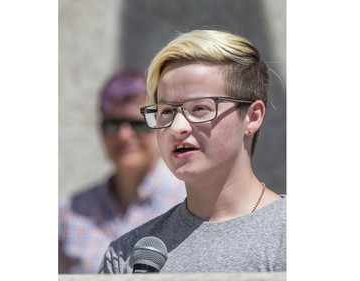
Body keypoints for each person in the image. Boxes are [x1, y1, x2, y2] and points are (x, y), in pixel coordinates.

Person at [98, 29, 286, 274]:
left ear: (252, 116)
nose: (177, 127)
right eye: (166, 111)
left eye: (199, 108)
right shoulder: (127, 256)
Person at [58, 70, 186, 273]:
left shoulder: (190, 202)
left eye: (137, 124)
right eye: (113, 125)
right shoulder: (71, 211)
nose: (124, 135)